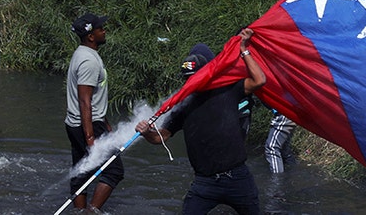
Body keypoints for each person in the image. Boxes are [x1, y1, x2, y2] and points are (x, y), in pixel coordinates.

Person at [136, 29, 266, 215]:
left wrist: (243, 49)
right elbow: (160, 138)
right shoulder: (184, 104)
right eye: (189, 79)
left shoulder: (228, 89)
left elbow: (259, 80)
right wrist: (146, 132)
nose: (193, 82)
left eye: (197, 76)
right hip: (204, 183)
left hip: (237, 177)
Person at [65, 13, 121, 213]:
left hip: (77, 123)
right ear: (90, 36)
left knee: (81, 171)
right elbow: (85, 100)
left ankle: (79, 211)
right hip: (87, 125)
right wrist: (90, 137)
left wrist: (106, 123)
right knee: (114, 171)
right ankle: (91, 211)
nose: (104, 31)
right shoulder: (89, 61)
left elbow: (93, 98)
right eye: (100, 29)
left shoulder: (82, 53)